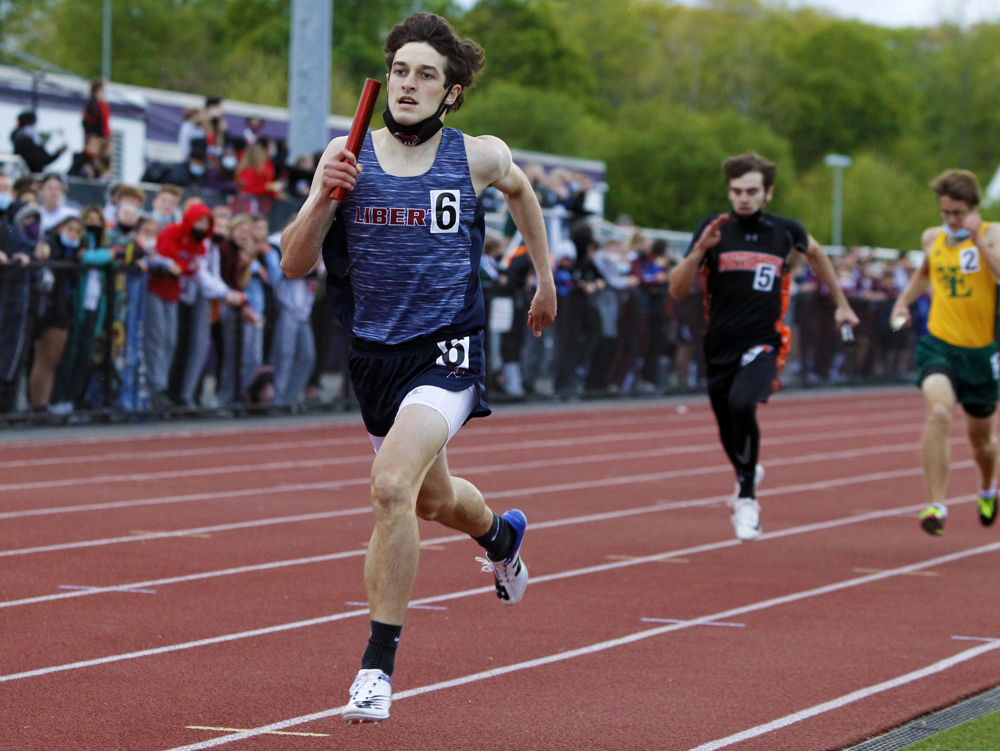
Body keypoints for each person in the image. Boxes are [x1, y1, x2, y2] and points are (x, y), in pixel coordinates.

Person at [279, 12, 556, 724]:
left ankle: (376, 667)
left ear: (451, 91)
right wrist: (320, 196)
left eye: (425, 73)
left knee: (390, 484)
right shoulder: (346, 157)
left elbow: (523, 192)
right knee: (430, 501)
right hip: (375, 355)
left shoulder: (476, 157)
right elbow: (292, 261)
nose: (407, 83)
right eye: (399, 70)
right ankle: (500, 535)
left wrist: (544, 279)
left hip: (448, 348)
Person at [669, 152, 858, 541]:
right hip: (719, 342)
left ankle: (748, 499)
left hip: (765, 341)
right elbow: (678, 287)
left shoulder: (785, 231)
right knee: (727, 427)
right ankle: (746, 471)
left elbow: (818, 255)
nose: (743, 198)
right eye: (737, 191)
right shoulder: (713, 228)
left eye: (752, 191)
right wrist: (699, 250)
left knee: (743, 404)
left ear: (767, 193)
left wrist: (841, 303)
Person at [889, 170, 1000, 535]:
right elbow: (925, 273)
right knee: (938, 412)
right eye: (945, 213)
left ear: (974, 209)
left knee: (981, 442)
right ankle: (935, 505)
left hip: (981, 354)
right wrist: (903, 303)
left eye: (958, 213)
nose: (951, 221)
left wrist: (977, 241)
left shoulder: (993, 235)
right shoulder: (932, 238)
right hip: (939, 345)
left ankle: (987, 487)